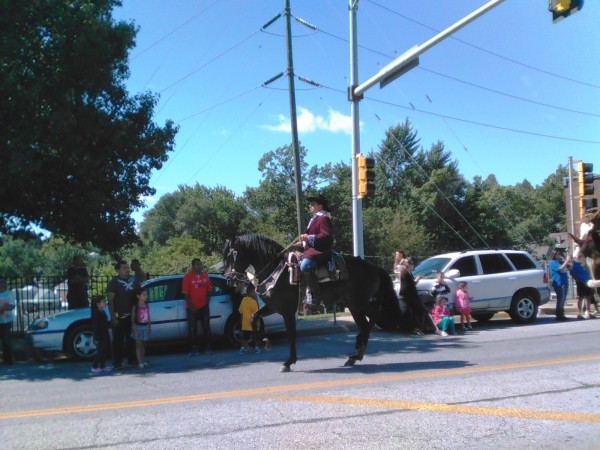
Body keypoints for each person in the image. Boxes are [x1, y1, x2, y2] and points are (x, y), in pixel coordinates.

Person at [299, 194, 334, 304]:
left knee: (304, 266)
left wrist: (308, 237)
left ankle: (316, 295)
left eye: (313, 204)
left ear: (320, 206)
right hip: (310, 250)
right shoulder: (313, 219)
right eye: (310, 204)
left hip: (320, 251)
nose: (310, 206)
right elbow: (307, 237)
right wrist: (301, 242)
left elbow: (326, 236)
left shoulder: (323, 218)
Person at [107, 261, 140, 369]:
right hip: (119, 315)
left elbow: (140, 295)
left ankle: (133, 360)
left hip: (132, 315)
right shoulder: (114, 282)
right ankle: (117, 363)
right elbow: (110, 301)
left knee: (132, 339)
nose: (127, 269)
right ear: (118, 270)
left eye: (127, 267)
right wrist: (113, 317)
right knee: (118, 341)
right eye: (124, 268)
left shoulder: (134, 280)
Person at [182, 258, 213, 356]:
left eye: (200, 264)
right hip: (192, 308)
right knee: (192, 329)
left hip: (204, 306)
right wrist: (192, 307)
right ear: (193, 266)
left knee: (206, 328)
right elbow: (185, 294)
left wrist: (206, 302)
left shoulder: (205, 276)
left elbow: (209, 291)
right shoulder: (188, 277)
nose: (200, 266)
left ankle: (208, 347)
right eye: (197, 264)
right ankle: (194, 348)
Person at [399, 259, 430, 334]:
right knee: (420, 310)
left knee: (415, 311)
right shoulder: (404, 273)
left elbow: (412, 284)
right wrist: (416, 280)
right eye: (412, 264)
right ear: (408, 265)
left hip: (412, 294)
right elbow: (408, 285)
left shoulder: (409, 273)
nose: (413, 266)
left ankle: (417, 327)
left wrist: (416, 281)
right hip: (408, 295)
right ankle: (417, 327)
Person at [131, 287, 152, 369]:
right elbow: (132, 320)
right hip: (138, 327)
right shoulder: (135, 307)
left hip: (145, 327)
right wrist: (135, 330)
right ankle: (139, 362)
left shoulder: (146, 305)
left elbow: (148, 316)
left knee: (143, 345)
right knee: (138, 345)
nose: (145, 296)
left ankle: (143, 361)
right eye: (143, 295)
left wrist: (149, 326)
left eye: (146, 295)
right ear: (138, 296)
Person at [548, 249, 570, 321]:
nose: (559, 255)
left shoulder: (561, 262)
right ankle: (559, 315)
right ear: (554, 255)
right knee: (560, 299)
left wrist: (568, 259)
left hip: (565, 282)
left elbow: (570, 267)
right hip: (559, 283)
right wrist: (566, 261)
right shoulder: (552, 262)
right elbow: (560, 269)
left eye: (560, 254)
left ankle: (562, 314)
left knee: (563, 299)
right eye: (558, 254)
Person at [91, 295, 111, 373]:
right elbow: (95, 327)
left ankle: (102, 366)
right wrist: (95, 338)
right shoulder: (96, 314)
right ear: (97, 304)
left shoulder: (102, 311)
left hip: (104, 334)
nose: (105, 303)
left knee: (103, 351)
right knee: (99, 352)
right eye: (103, 302)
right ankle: (94, 366)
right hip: (99, 336)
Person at [238, 283, 260, 354]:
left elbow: (241, 312)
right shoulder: (254, 302)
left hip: (245, 323)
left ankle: (242, 348)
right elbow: (256, 314)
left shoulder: (243, 300)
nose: (256, 294)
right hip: (252, 324)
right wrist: (257, 323)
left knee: (245, 337)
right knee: (255, 337)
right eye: (255, 292)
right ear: (251, 293)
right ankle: (256, 348)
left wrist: (241, 321)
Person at [0, 277, 16, 365]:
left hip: (6, 321)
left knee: (6, 340)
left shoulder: (8, 294)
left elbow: (12, 305)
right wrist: (3, 307)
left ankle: (8, 360)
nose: (1, 284)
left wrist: (3, 308)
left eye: (2, 282)